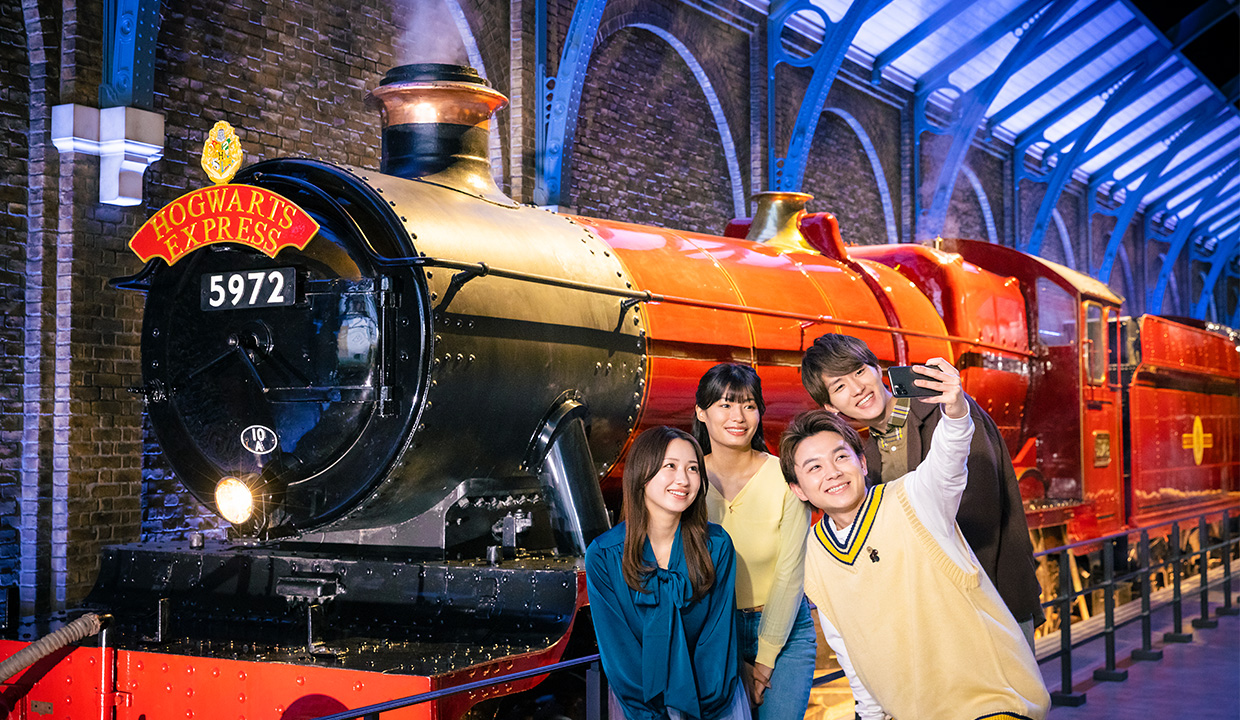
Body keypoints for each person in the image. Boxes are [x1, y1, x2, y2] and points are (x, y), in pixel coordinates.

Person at [780, 359, 1050, 720]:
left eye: (840, 457)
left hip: (987, 703)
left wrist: (956, 412)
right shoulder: (814, 553)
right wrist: (871, 713)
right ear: (798, 489)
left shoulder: (912, 496)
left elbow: (947, 465)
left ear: (861, 463)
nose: (832, 473)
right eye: (814, 467)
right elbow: (847, 644)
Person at [801, 334, 1044, 645]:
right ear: (830, 406)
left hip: (993, 598)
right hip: (932, 616)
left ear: (877, 368)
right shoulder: (867, 458)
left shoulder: (948, 411)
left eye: (859, 371)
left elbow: (978, 509)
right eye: (839, 386)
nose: (857, 388)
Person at [585, 426, 750, 720]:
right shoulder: (604, 555)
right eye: (670, 466)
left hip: (712, 705)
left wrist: (702, 707)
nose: (683, 480)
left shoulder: (717, 545)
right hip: (639, 708)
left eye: (693, 468)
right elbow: (619, 650)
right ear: (641, 474)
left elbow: (717, 639)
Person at [692, 364, 815, 718]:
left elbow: (790, 573)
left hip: (784, 630)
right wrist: (729, 656)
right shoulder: (688, 478)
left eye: (749, 405)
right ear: (701, 412)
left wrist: (765, 659)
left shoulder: (785, 475)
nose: (739, 417)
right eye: (725, 405)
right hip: (713, 634)